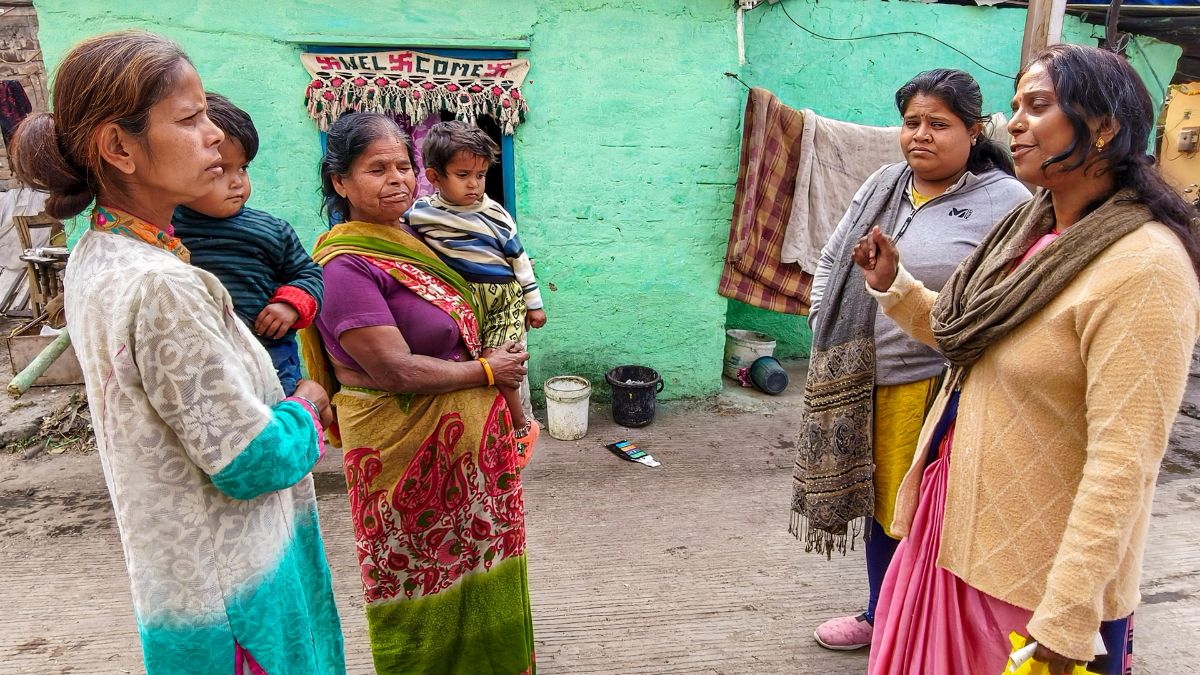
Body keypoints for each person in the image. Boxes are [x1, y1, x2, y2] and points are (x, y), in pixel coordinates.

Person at [855, 44, 1200, 675]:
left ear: (1103, 127)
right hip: (957, 537)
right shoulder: (1031, 233)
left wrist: (1067, 617)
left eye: (1037, 105)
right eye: (1015, 106)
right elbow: (970, 338)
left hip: (1034, 582)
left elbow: (1123, 465)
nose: (1014, 122)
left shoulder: (1144, 268)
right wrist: (895, 287)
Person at [10, 31, 344, 673]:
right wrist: (308, 403)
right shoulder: (162, 286)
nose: (214, 136)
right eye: (190, 120)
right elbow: (249, 460)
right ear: (118, 148)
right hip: (236, 600)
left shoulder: (97, 254)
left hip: (183, 582)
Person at [792, 68, 1030, 651]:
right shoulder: (885, 184)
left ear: (974, 131)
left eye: (938, 124)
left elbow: (1011, 297)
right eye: (911, 122)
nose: (920, 135)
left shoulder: (1006, 201)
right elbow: (833, 256)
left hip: (943, 384)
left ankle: (928, 629)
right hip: (867, 380)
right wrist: (823, 320)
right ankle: (882, 615)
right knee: (883, 507)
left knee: (933, 513)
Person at [299, 112, 536, 674]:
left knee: (483, 568)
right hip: (404, 458)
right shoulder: (346, 266)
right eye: (376, 169)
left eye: (404, 166)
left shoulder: (416, 236)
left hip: (470, 457)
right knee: (421, 578)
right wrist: (488, 372)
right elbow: (394, 371)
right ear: (339, 181)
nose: (397, 180)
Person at [408, 120, 545, 465]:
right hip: (464, 301)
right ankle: (487, 434)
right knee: (477, 366)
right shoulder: (420, 214)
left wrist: (534, 305)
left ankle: (521, 427)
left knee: (500, 360)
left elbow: (519, 260)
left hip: (502, 299)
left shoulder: (495, 214)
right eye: (463, 174)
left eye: (481, 175)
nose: (474, 184)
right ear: (435, 177)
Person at [173, 92, 324, 396]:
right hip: (203, 364)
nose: (237, 182)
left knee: (278, 416)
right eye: (220, 169)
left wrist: (290, 305)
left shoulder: (271, 230)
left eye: (243, 168)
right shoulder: (168, 231)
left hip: (271, 358)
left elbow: (310, 273)